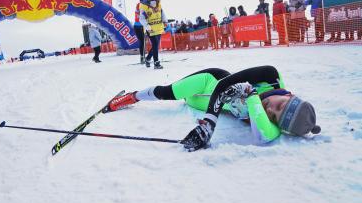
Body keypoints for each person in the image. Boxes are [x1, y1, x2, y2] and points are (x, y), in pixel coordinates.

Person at [104, 66, 321, 151]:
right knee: (168, 92)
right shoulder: (271, 76)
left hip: (197, 103)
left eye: (274, 116)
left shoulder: (265, 115)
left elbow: (265, 137)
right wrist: (209, 124)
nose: (270, 109)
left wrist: (252, 96)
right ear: (290, 95)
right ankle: (130, 98)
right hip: (209, 81)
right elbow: (222, 86)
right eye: (280, 105)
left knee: (180, 98)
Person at [139, 0, 168, 69]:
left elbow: (162, 12)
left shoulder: (158, 3)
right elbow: (141, 18)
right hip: (150, 28)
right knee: (155, 44)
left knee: (156, 45)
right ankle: (156, 63)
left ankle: (148, 59)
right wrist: (147, 27)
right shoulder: (144, 5)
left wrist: (165, 21)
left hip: (158, 27)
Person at [134, 0, 147, 64]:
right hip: (139, 26)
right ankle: (142, 57)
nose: (146, 0)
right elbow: (143, 14)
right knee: (142, 42)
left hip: (141, 26)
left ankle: (143, 56)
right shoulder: (140, 5)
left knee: (143, 42)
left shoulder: (141, 5)